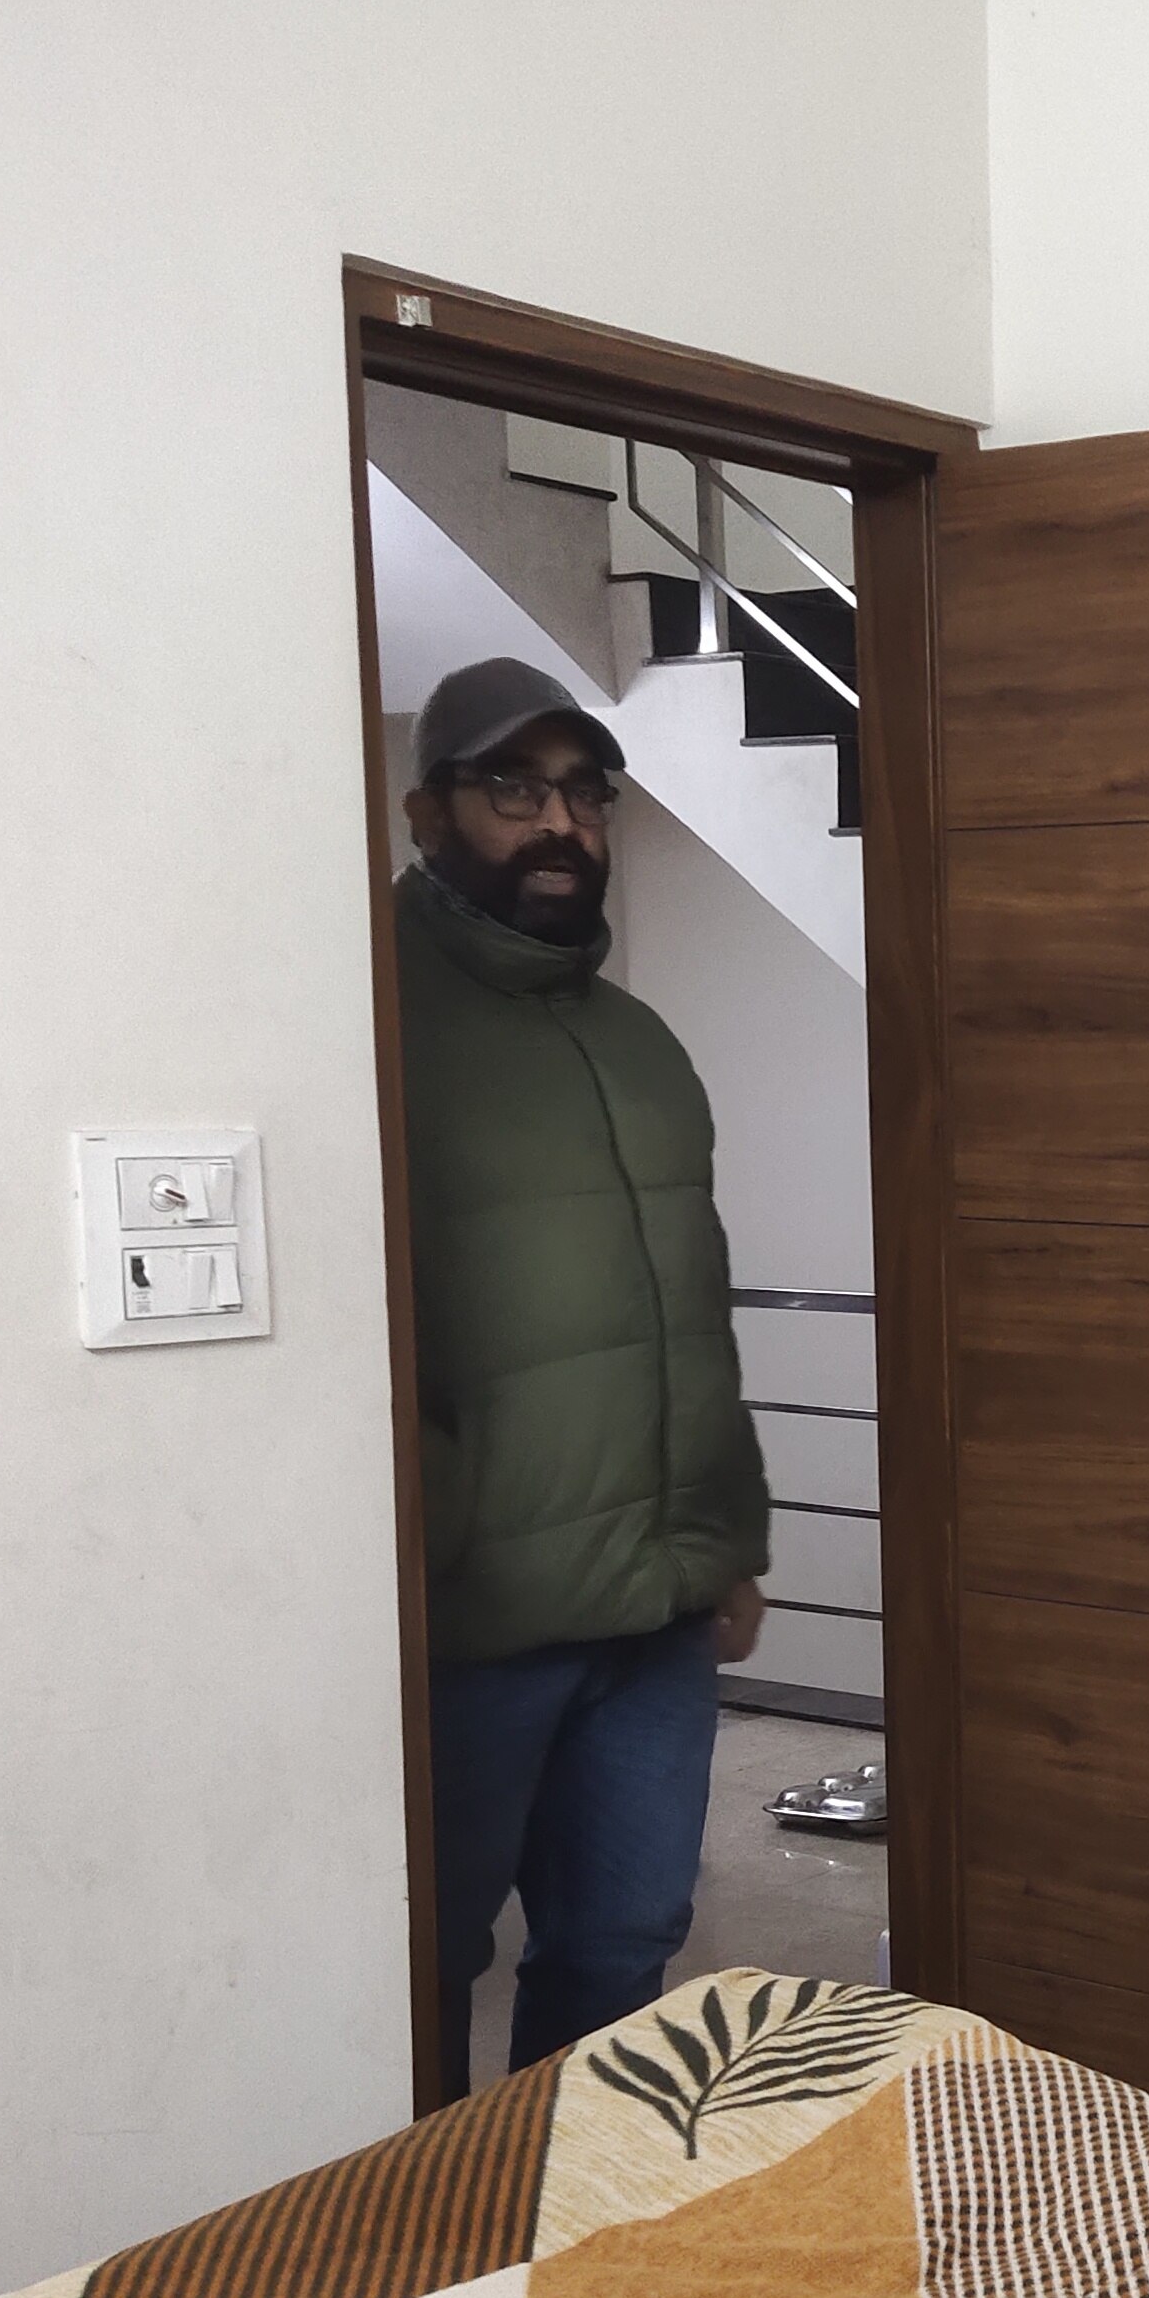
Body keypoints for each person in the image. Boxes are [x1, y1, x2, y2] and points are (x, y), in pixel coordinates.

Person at [392, 655, 770, 2091]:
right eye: (514, 789)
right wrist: (432, 1544)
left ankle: (575, 2216)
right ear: (429, 813)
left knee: (623, 1947)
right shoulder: (369, 1022)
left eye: (585, 794)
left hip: (655, 1616)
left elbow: (693, 1320)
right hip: (472, 1624)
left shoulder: (639, 1044)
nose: (559, 824)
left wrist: (728, 1545)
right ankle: (421, 2221)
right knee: (420, 1967)